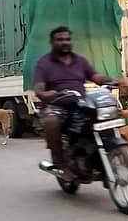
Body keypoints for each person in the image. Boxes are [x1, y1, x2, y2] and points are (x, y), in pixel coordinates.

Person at [33, 26, 113, 181]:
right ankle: (61, 164)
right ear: (52, 42)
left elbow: (95, 76)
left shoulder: (80, 61)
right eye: (60, 39)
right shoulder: (44, 63)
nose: (64, 42)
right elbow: (39, 87)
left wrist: (111, 81)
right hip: (56, 104)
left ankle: (105, 157)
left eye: (67, 39)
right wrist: (44, 94)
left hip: (80, 102)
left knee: (105, 117)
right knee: (51, 121)